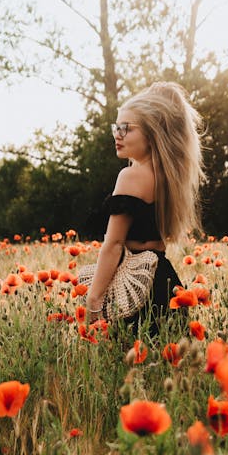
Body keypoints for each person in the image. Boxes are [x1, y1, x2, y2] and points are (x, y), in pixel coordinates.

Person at [85, 81, 204, 336]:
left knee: (132, 369)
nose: (118, 134)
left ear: (151, 134)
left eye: (126, 128)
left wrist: (94, 300)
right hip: (166, 282)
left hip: (139, 289)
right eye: (116, 127)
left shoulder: (131, 176)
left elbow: (114, 244)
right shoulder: (171, 177)